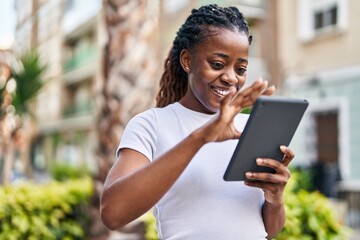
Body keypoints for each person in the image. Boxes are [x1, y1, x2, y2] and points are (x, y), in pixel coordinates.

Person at [100, 4, 294, 240]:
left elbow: (269, 230)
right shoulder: (152, 124)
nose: (231, 78)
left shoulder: (249, 128)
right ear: (187, 60)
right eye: (218, 64)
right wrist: (202, 136)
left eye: (240, 68)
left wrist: (275, 197)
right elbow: (113, 213)